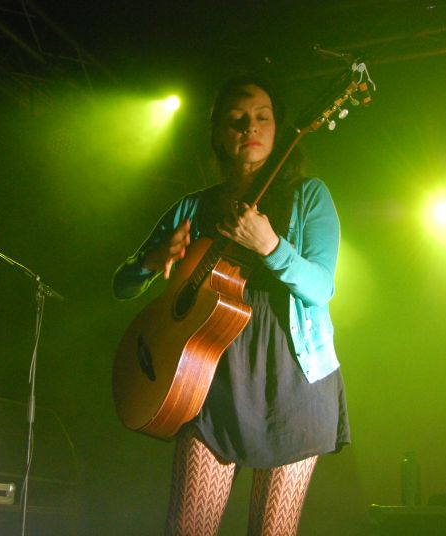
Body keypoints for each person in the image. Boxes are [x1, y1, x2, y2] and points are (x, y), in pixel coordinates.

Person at [113, 74, 349, 536]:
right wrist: (152, 259)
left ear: (279, 129)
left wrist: (271, 246)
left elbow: (321, 289)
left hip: (294, 384)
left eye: (262, 118)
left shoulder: (310, 195)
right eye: (237, 120)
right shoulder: (193, 207)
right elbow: (123, 284)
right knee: (187, 529)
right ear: (219, 133)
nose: (250, 128)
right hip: (209, 381)